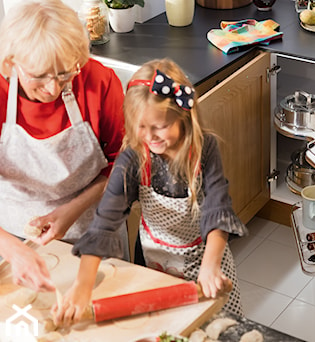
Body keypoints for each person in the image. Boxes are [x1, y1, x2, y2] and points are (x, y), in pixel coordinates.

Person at [53, 58, 248, 325]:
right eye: (141, 127)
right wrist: (83, 286)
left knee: (219, 328)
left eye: (160, 126)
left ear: (183, 116)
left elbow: (217, 209)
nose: (150, 136)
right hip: (156, 266)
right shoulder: (133, 159)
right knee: (167, 328)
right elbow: (104, 222)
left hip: (206, 261)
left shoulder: (205, 149)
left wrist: (211, 266)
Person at [0, 0, 127, 292]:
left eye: (64, 74)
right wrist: (13, 249)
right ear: (11, 61)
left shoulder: (98, 80)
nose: (53, 89)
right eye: (39, 75)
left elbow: (124, 163)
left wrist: (71, 210)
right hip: (11, 241)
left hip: (96, 233)